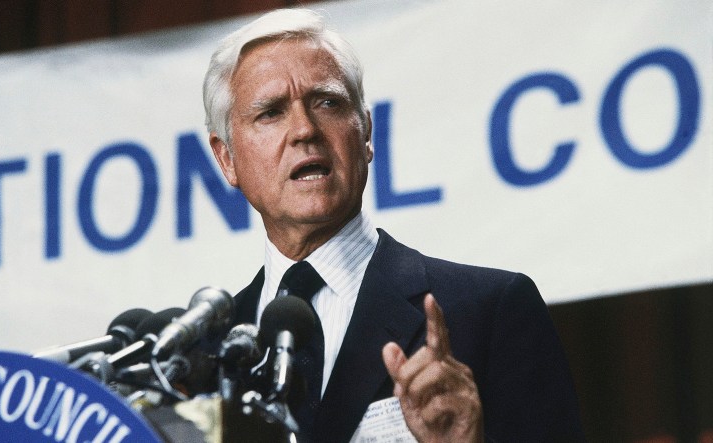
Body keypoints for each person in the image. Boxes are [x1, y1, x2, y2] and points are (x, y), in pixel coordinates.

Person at [203, 8, 583, 443]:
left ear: (365, 132)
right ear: (227, 159)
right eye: (270, 112)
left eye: (327, 102)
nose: (305, 129)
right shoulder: (204, 355)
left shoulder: (490, 311)